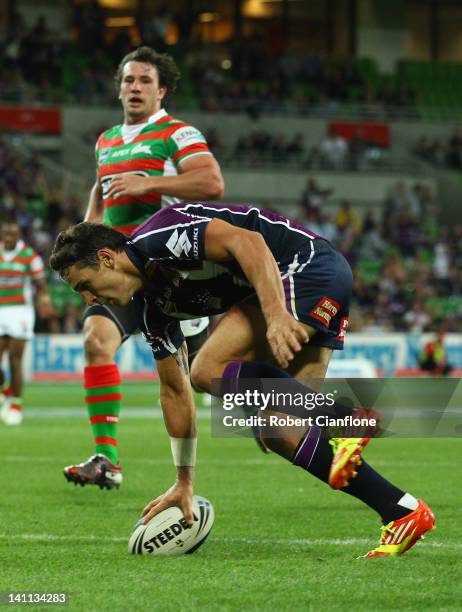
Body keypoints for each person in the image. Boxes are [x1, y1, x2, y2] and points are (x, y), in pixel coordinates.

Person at [50, 202, 435, 558]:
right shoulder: (154, 311)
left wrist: (276, 313)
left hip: (301, 265)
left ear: (106, 258)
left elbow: (246, 241)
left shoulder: (160, 238)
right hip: (293, 288)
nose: (88, 300)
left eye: (84, 285)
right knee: (281, 431)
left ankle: (344, 418)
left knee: (206, 369)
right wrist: (184, 481)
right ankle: (402, 510)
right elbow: (173, 391)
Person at [63, 46, 224, 490]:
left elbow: (211, 182)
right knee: (96, 342)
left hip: (172, 274)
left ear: (162, 89)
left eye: (145, 81)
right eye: (128, 80)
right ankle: (107, 459)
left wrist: (149, 182)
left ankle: (323, 415)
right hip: (118, 272)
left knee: (199, 378)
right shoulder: (106, 140)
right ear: (119, 89)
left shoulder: (177, 133)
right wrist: (84, 248)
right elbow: (101, 200)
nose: (135, 87)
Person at [0, 222, 53, 425]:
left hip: (20, 311)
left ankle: (16, 404)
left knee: (15, 359)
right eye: (5, 233)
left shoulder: (30, 256)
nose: (9, 237)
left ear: (19, 235)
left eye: (12, 234)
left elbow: (41, 284)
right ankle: (5, 391)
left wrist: (45, 301)